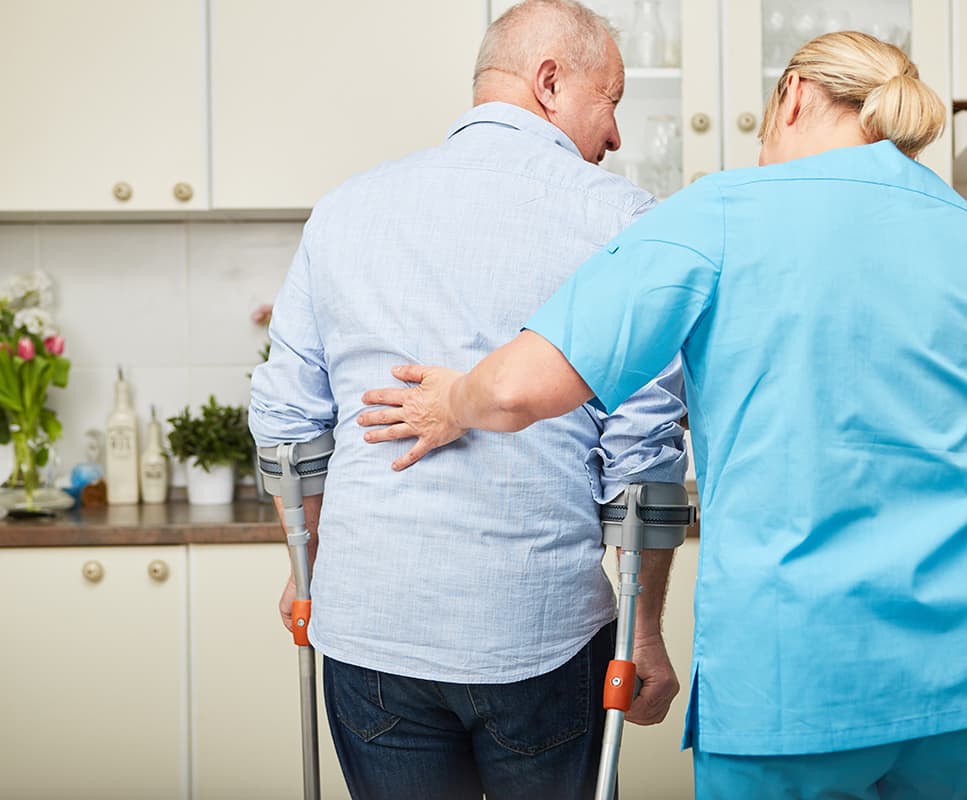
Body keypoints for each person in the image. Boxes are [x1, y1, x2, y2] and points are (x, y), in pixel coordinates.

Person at [357, 30, 967, 800]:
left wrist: (450, 400)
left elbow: (517, 389)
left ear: (794, 94)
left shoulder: (726, 211)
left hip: (799, 678)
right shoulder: (962, 225)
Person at [248, 2, 690, 798]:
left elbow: (287, 429)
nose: (616, 134)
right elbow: (645, 456)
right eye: (612, 99)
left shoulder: (345, 208)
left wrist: (304, 566)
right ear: (550, 82)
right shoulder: (621, 220)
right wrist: (645, 632)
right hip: (540, 633)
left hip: (370, 625)